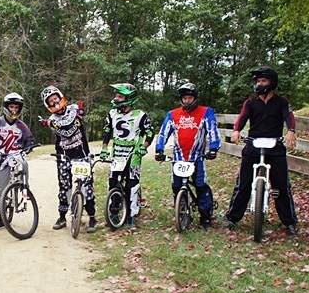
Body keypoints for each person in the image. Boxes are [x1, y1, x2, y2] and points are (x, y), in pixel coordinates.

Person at [224, 66, 298, 236]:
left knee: (282, 186)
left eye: (263, 81)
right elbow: (242, 117)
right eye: (258, 81)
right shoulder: (250, 102)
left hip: (275, 145)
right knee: (243, 183)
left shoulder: (282, 102)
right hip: (254, 143)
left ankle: (289, 222)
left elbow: (289, 117)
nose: (260, 84)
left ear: (271, 83)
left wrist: (291, 131)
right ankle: (233, 218)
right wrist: (236, 130)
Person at [154, 82, 221, 230]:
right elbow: (163, 132)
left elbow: (212, 130)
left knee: (200, 186)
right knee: (176, 186)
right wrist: (159, 149)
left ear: (195, 98)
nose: (187, 101)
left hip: (197, 157)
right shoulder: (173, 114)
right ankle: (182, 212)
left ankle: (205, 217)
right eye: (184, 98)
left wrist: (214, 148)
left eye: (189, 98)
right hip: (178, 157)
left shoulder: (206, 112)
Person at [39, 85, 98, 232]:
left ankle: (92, 218)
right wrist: (51, 123)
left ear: (60, 97)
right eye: (51, 101)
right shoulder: (52, 119)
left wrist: (80, 112)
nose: (55, 102)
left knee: (86, 186)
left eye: (55, 98)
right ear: (48, 105)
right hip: (64, 156)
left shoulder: (73, 109)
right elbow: (66, 132)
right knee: (64, 187)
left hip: (82, 154)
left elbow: (76, 123)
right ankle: (62, 217)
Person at [98, 83, 154, 229]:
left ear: (129, 98)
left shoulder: (140, 116)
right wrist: (104, 149)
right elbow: (106, 131)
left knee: (131, 184)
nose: (116, 99)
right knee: (113, 183)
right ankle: (114, 213)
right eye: (116, 95)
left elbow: (149, 132)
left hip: (133, 154)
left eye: (120, 96)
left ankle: (130, 214)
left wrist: (144, 147)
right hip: (117, 154)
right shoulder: (112, 113)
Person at [0, 93, 35, 231]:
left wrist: (27, 149)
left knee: (24, 164)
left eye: (16, 107)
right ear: (6, 107)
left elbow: (29, 140)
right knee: (1, 188)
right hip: (1, 157)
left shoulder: (22, 126)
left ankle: (25, 186)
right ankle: (1, 217)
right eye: (11, 106)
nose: (13, 109)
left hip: (16, 155)